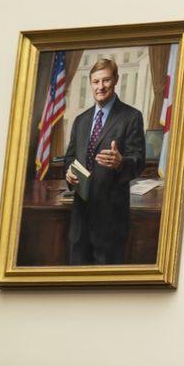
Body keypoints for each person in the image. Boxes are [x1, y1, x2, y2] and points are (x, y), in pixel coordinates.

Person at [63, 58, 146, 264]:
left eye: (106, 80)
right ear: (90, 84)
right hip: (80, 221)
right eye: (96, 82)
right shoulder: (80, 120)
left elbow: (138, 161)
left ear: (115, 80)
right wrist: (69, 173)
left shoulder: (131, 117)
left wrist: (120, 162)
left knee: (106, 291)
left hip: (111, 223)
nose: (101, 87)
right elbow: (70, 158)